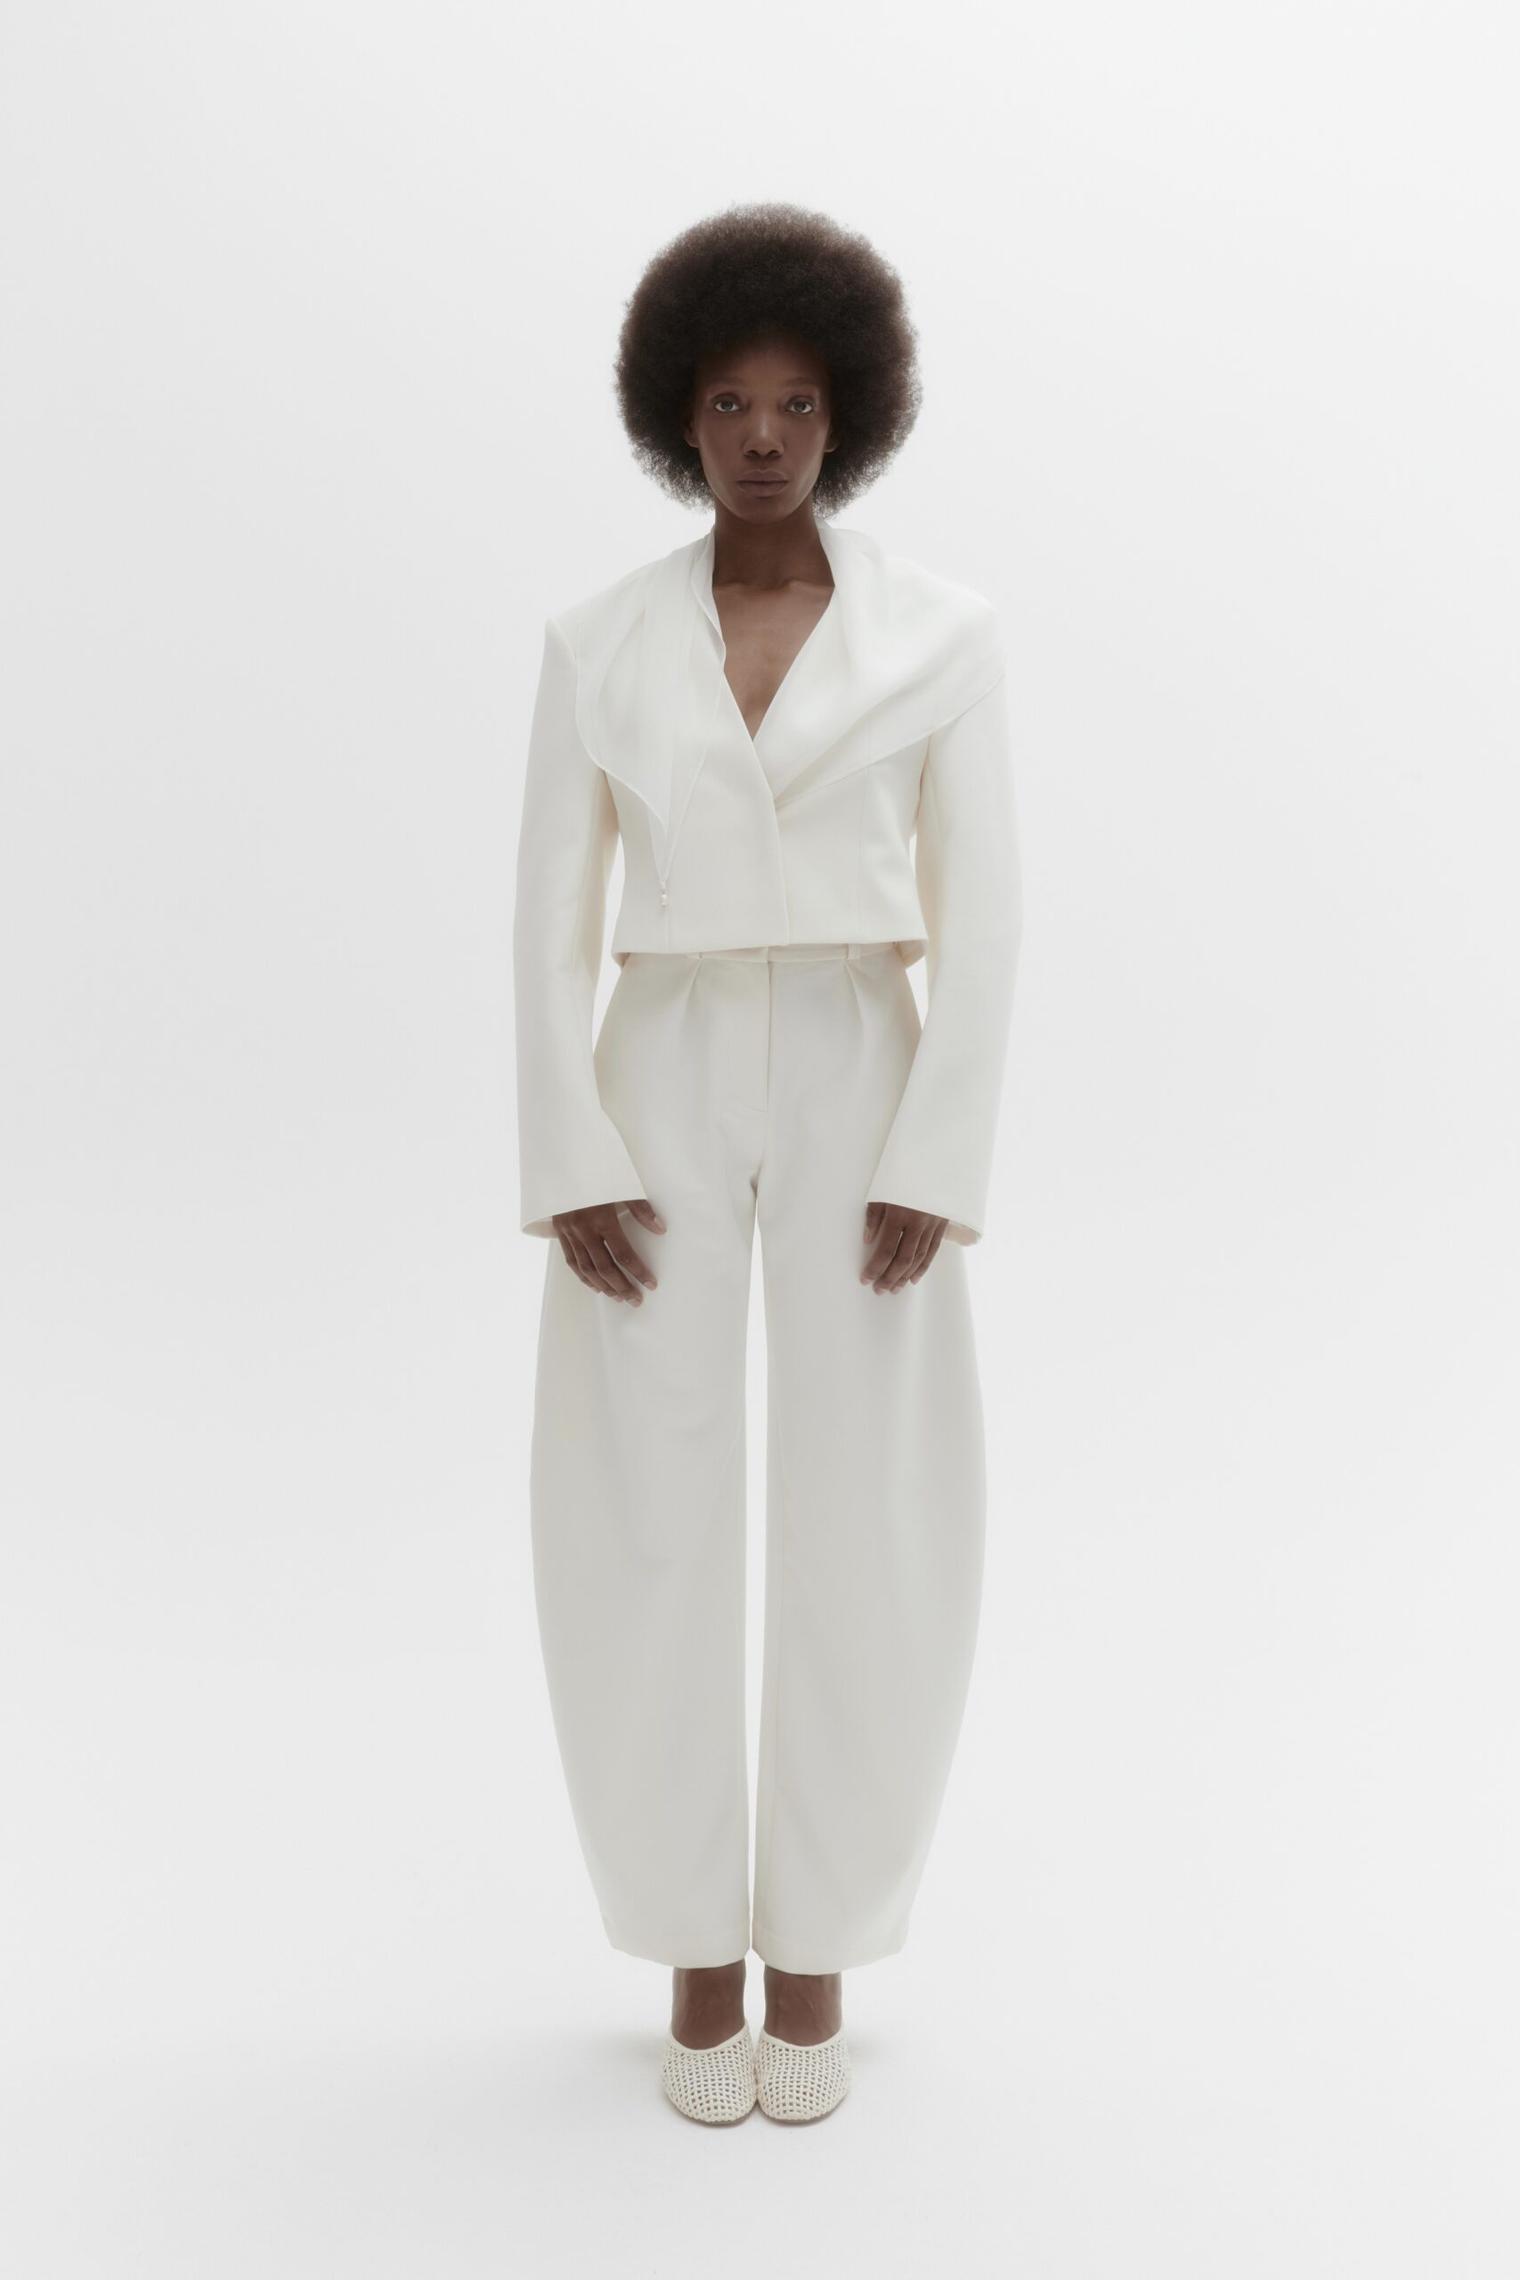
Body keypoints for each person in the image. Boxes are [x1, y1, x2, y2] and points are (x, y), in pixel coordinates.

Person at [512, 201, 1023, 2125]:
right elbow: (545, 918)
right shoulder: (596, 642)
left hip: (863, 1064)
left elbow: (988, 915)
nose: (761, 436)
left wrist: (937, 1147)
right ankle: (692, 1954)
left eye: (797, 402)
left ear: (848, 415)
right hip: (657, 1063)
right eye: (728, 401)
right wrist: (568, 1144)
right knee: (636, 1506)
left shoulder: (941, 637)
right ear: (678, 414)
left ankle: (817, 1951)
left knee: (869, 1502)